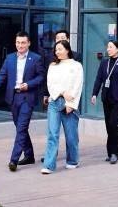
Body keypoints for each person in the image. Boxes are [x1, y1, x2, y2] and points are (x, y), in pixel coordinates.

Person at [0, 31, 46, 172]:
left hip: (27, 97)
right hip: (13, 97)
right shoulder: (10, 58)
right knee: (20, 127)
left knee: (21, 128)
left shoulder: (36, 58)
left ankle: (13, 160)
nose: (20, 45)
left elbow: (41, 77)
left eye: (23, 42)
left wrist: (28, 84)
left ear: (29, 43)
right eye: (18, 42)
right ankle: (29, 155)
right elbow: (2, 74)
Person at [40, 40, 83, 174]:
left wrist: (71, 105)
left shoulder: (76, 66)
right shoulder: (53, 66)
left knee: (71, 136)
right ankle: (49, 165)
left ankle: (72, 161)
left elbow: (77, 86)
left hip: (70, 104)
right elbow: (50, 84)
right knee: (53, 134)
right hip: (54, 102)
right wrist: (63, 92)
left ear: (67, 50)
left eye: (60, 49)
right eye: (56, 49)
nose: (57, 52)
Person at [90, 39, 118, 164]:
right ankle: (112, 152)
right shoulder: (104, 62)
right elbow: (99, 79)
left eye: (111, 47)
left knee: (113, 123)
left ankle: (114, 153)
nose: (108, 49)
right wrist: (94, 94)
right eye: (108, 47)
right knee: (109, 126)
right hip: (107, 98)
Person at [42, 29, 70, 107]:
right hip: (53, 97)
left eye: (62, 38)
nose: (60, 40)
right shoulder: (49, 57)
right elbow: (47, 77)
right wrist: (45, 94)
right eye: (58, 38)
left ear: (68, 40)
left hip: (69, 97)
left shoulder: (75, 56)